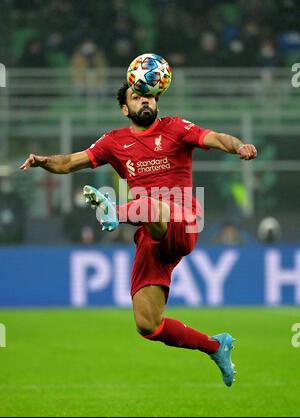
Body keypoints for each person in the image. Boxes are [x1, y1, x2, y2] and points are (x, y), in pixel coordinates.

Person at [20, 82, 257, 387]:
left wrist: (238, 145)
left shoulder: (176, 128)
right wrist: (43, 162)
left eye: (149, 96)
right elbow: (68, 162)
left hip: (182, 218)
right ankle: (215, 346)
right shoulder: (114, 142)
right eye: (137, 97)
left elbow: (215, 138)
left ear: (157, 101)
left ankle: (114, 212)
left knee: (149, 202)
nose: (145, 101)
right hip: (150, 233)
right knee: (148, 326)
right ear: (125, 108)